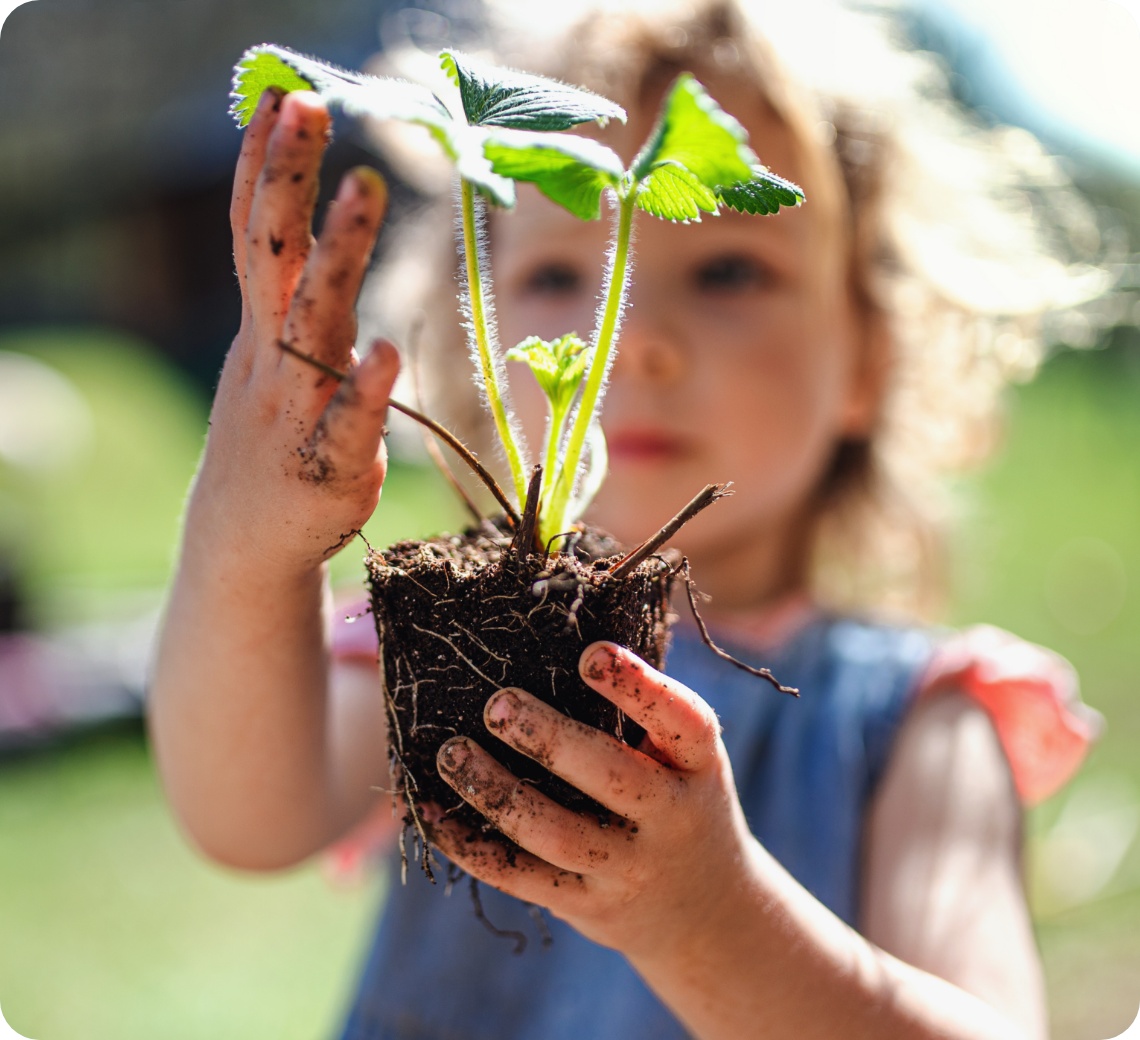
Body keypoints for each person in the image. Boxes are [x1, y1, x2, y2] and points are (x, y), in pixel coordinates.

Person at [149, 1, 1103, 1037]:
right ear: (475, 326)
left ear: (870, 355)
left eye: (728, 268)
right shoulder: (432, 636)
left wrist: (706, 918)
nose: (635, 338)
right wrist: (248, 550)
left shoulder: (923, 718)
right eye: (559, 273)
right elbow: (244, 812)